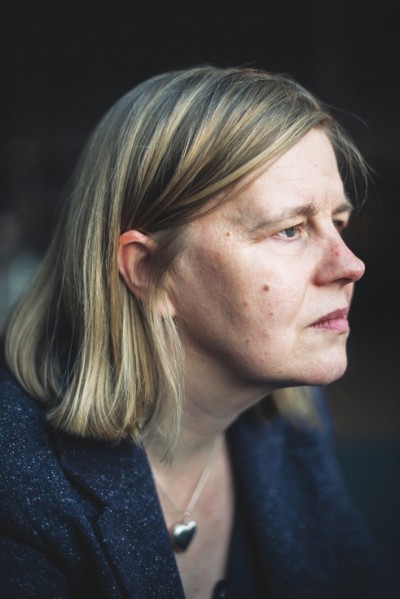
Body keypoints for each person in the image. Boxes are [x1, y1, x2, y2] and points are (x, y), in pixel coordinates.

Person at [0, 65, 394, 599]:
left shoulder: (289, 419)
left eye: (338, 223)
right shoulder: (16, 484)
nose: (351, 265)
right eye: (290, 229)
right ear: (149, 271)